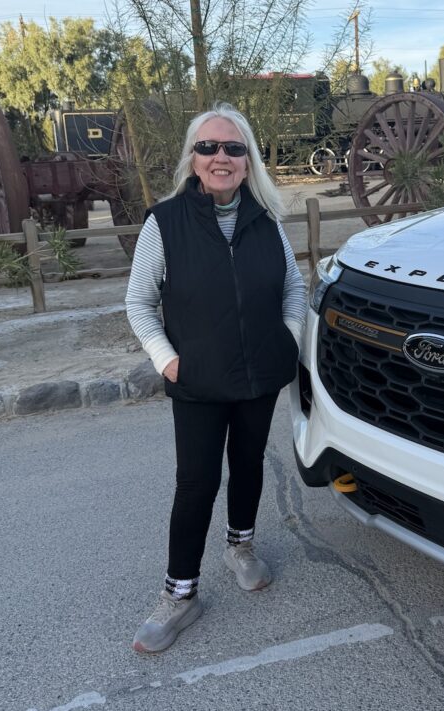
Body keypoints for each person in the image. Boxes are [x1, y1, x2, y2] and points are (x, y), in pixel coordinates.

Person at [125, 102, 307, 653]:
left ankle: (240, 547)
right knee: (196, 483)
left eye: (232, 147)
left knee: (248, 465)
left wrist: (288, 338)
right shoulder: (164, 223)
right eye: (208, 147)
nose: (220, 156)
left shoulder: (266, 222)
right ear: (192, 158)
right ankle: (180, 594)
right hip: (198, 380)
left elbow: (293, 289)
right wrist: (167, 359)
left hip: (259, 375)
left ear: (248, 161)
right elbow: (139, 302)